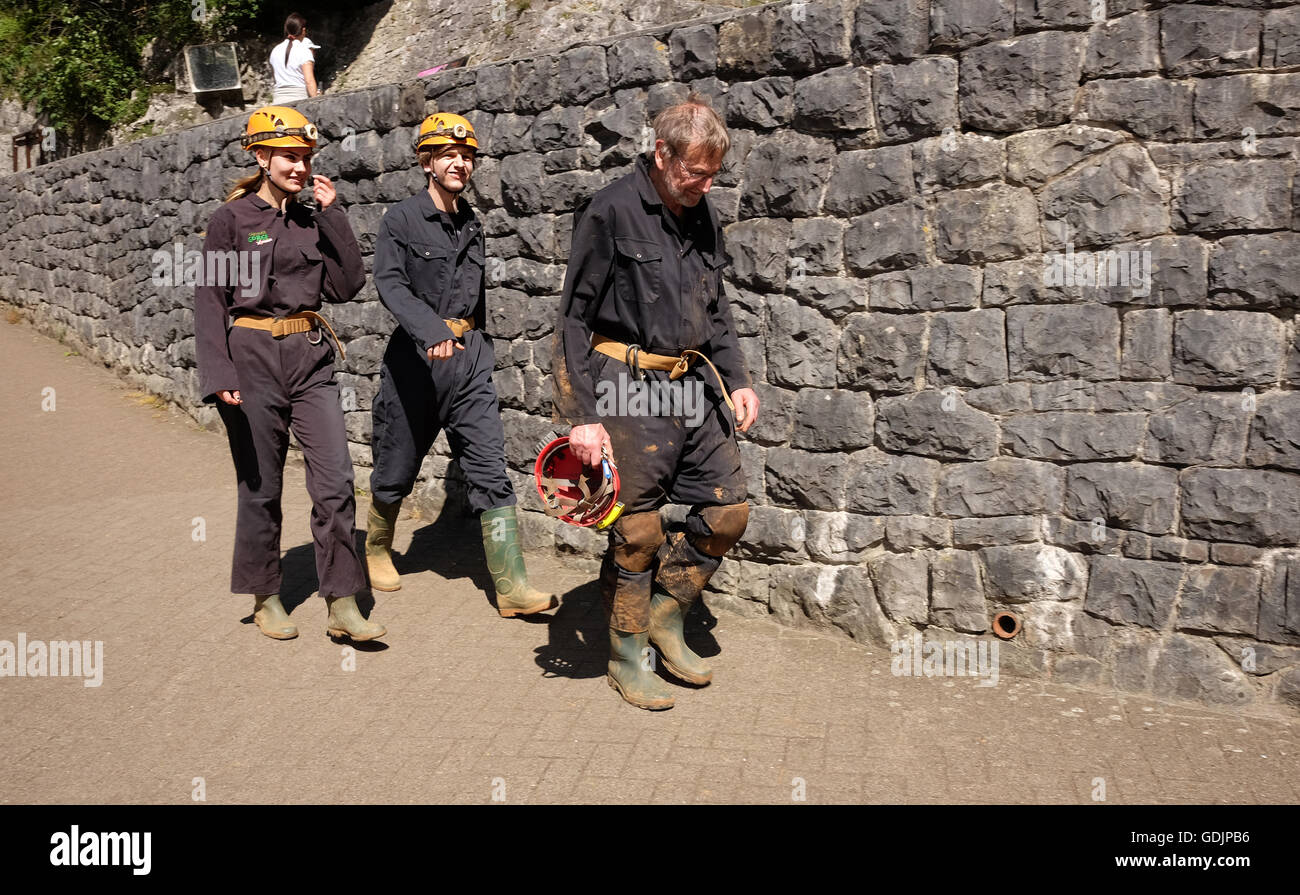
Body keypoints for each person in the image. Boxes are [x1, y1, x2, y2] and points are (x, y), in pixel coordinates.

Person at [553, 95, 761, 710]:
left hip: (693, 385)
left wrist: (739, 377)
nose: (705, 182)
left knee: (728, 513)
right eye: (694, 170)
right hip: (625, 383)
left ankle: (666, 615)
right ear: (661, 153)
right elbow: (572, 319)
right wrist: (582, 417)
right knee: (638, 530)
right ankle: (624, 655)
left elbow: (715, 307)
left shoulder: (704, 215)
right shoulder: (610, 210)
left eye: (713, 172)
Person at [194, 105, 385, 642]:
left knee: (336, 481)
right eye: (289, 157)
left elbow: (348, 286)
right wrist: (217, 371)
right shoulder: (231, 221)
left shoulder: (311, 219)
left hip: (311, 355)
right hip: (251, 356)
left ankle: (343, 601)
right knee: (261, 485)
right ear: (261, 157)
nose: (299, 167)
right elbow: (210, 300)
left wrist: (334, 214)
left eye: (305, 158)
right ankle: (265, 595)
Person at [364, 113, 557, 618]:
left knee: (490, 464)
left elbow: (476, 296)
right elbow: (390, 284)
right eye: (449, 155)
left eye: (467, 156)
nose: (460, 163)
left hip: (468, 362)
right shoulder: (401, 220)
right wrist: (430, 334)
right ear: (427, 161)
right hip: (415, 363)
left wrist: (478, 345)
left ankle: (511, 587)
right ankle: (377, 547)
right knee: (396, 465)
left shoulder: (472, 222)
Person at [269, 12, 320, 104]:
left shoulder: (275, 51)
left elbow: (275, 78)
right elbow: (309, 81)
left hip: (277, 101)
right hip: (298, 101)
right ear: (303, 30)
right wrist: (316, 101)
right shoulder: (304, 51)